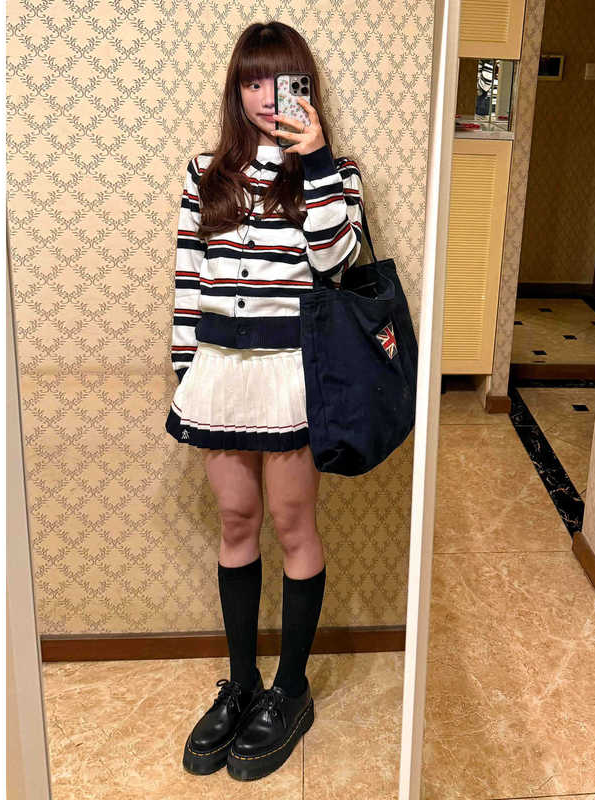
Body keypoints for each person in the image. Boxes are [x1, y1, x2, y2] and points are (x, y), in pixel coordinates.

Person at [167, 21, 364, 782]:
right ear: (236, 89)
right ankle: (243, 683)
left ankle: (290, 689)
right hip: (220, 371)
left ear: (302, 89)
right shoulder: (204, 173)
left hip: (289, 374)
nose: (264, 97)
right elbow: (189, 277)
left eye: (279, 82)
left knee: (292, 523)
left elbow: (337, 261)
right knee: (236, 521)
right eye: (251, 81)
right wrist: (186, 371)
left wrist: (314, 161)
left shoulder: (334, 171)